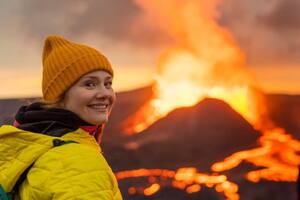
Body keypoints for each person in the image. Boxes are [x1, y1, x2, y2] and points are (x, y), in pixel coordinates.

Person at [0, 35, 123, 199]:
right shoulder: (77, 162)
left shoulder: (31, 142)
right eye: (89, 84)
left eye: (108, 83)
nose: (104, 93)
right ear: (60, 95)